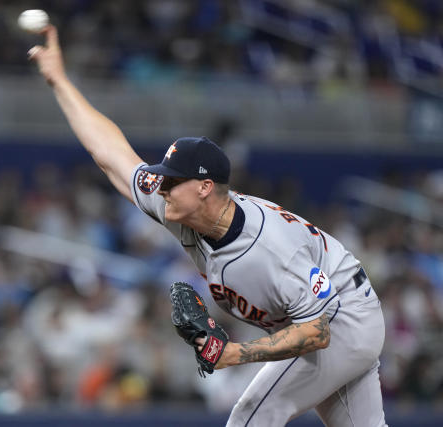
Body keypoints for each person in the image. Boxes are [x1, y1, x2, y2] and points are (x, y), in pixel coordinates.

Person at [28, 26, 387, 426]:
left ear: (204, 187)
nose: (161, 187)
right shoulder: (175, 207)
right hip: (331, 317)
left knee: (253, 414)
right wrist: (59, 81)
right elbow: (110, 154)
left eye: (172, 181)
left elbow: (318, 333)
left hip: (341, 320)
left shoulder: (269, 248)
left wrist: (237, 353)